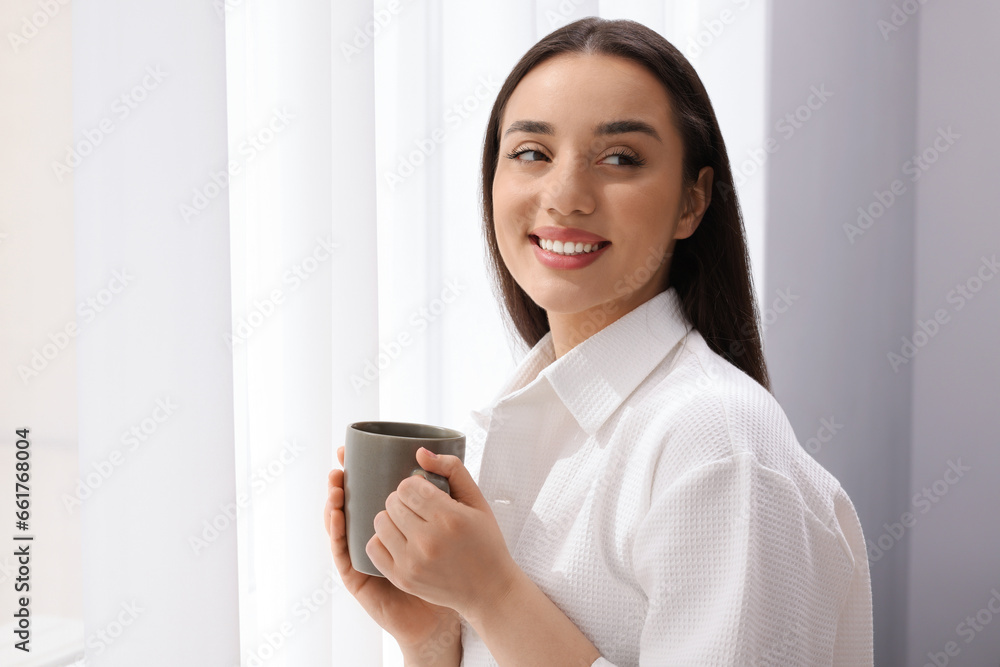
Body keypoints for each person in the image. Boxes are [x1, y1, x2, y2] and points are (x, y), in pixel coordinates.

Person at [325, 16, 874, 667]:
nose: (565, 196)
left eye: (619, 158)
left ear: (692, 203)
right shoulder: (527, 418)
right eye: (531, 152)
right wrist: (436, 634)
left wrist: (496, 596)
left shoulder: (718, 446)